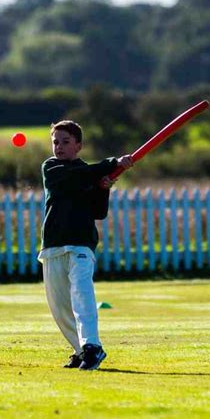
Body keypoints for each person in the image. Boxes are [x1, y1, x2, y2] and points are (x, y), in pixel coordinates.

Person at [38, 120, 133, 370]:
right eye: (55, 142)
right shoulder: (51, 168)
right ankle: (80, 350)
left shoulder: (89, 173)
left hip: (81, 244)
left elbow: (98, 212)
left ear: (78, 146)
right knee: (60, 307)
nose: (59, 147)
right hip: (53, 245)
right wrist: (111, 164)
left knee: (81, 293)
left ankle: (92, 347)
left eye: (65, 142)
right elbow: (73, 179)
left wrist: (103, 188)